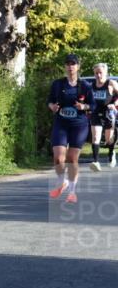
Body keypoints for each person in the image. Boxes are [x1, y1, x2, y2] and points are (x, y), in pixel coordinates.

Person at [47, 54, 93, 203]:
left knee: (72, 159)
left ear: (78, 66)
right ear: (65, 67)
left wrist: (83, 106)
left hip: (79, 125)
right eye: (67, 64)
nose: (70, 66)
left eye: (73, 64)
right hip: (61, 123)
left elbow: (93, 105)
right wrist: (52, 107)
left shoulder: (84, 86)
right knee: (58, 158)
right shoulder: (58, 84)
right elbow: (50, 101)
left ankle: (72, 192)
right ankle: (63, 182)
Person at [88, 62, 118, 171]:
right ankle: (96, 162)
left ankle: (111, 152)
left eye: (100, 73)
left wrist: (114, 104)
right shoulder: (91, 85)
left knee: (108, 139)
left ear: (105, 73)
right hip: (96, 113)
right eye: (96, 73)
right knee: (96, 137)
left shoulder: (111, 83)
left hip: (108, 113)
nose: (98, 75)